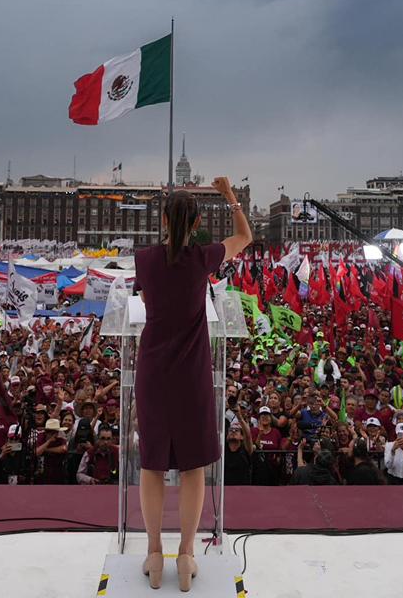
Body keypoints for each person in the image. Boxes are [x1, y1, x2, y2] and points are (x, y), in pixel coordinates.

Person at [134, 178, 251, 591]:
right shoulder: (204, 258)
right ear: (199, 221)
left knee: (151, 464)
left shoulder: (144, 260)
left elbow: (148, 302)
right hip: (191, 375)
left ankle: (153, 552)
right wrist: (230, 197)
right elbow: (244, 237)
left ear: (163, 220)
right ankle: (186, 554)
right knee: (192, 467)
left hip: (152, 374)